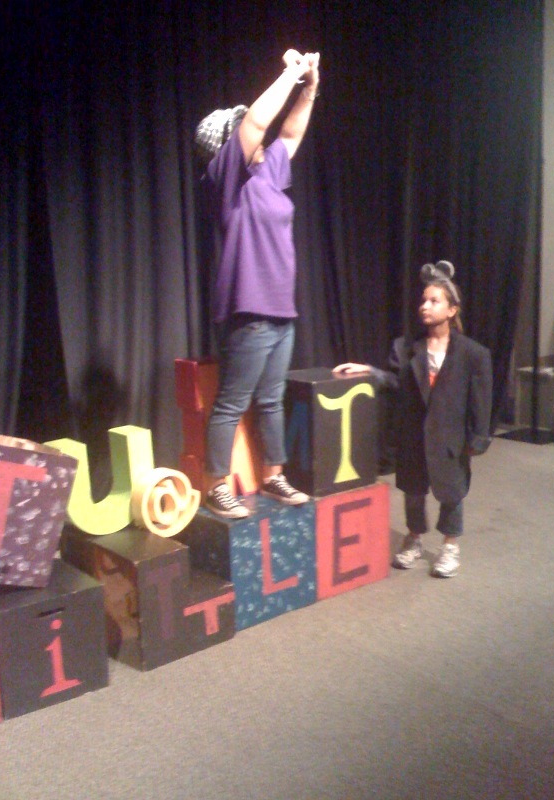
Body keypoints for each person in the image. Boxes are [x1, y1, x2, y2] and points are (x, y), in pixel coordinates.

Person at [194, 49, 320, 519]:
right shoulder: (226, 178)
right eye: (247, 133)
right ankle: (216, 485)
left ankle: (273, 476)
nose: (260, 135)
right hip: (247, 311)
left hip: (281, 310)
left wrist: (309, 88)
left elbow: (290, 133)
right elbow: (255, 124)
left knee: (271, 400)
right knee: (232, 402)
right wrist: (290, 73)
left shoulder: (268, 173)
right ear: (228, 146)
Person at [333, 261, 493, 577]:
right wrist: (370, 371)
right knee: (413, 491)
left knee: (452, 491)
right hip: (414, 436)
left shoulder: (473, 354)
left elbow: (481, 401)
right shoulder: (407, 348)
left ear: (451, 310)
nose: (425, 306)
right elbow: (396, 382)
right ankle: (414, 538)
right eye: (423, 300)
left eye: (434, 301)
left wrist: (478, 438)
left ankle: (450, 546)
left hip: (449, 437)